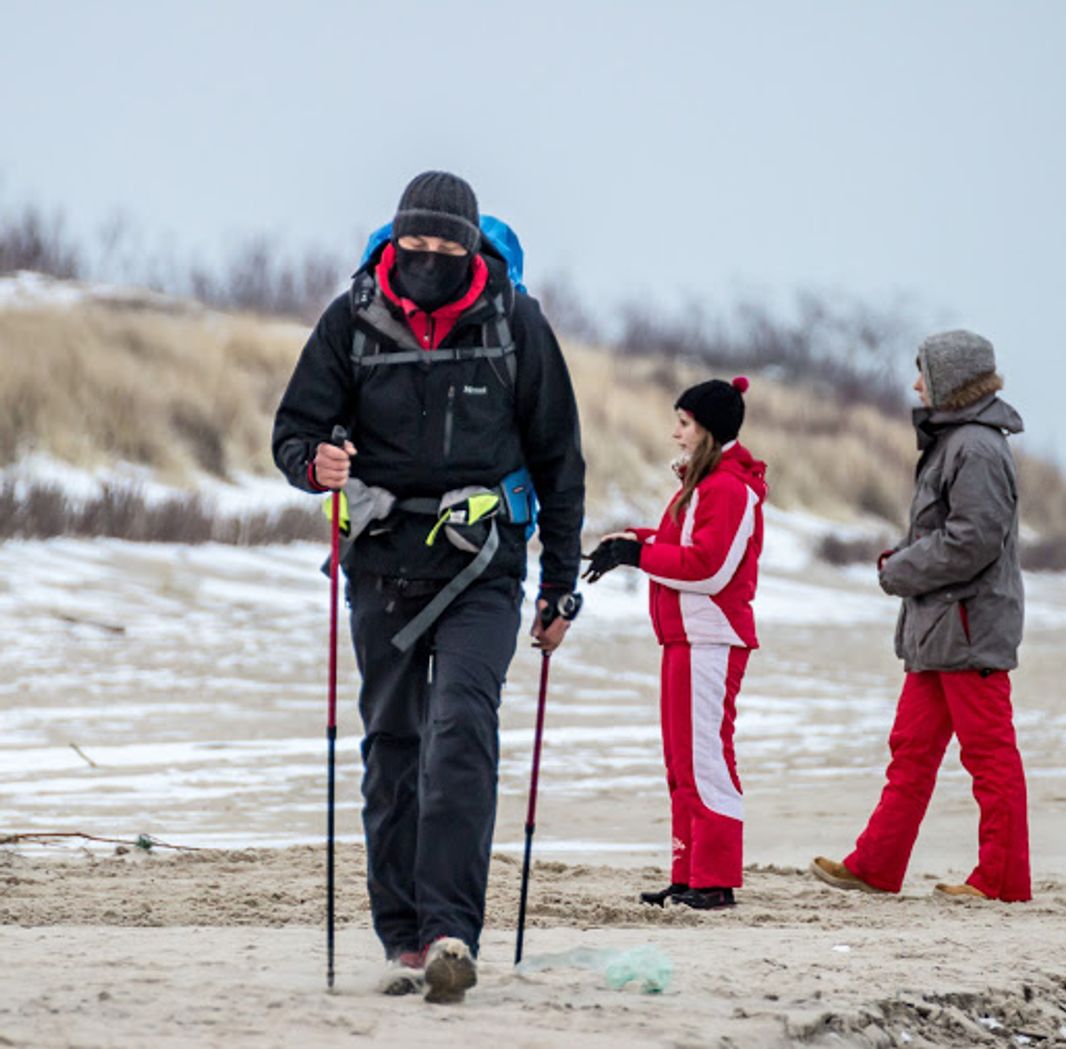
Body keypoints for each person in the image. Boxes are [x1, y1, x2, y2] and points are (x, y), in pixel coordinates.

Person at [272, 171, 586, 1003]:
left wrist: (561, 583)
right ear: (394, 240)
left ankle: (453, 932)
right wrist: (315, 463)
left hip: (483, 565)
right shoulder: (353, 318)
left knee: (459, 733)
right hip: (381, 561)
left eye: (448, 247)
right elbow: (293, 428)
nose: (431, 260)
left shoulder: (516, 322)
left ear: (473, 245)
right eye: (416, 246)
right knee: (394, 746)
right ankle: (404, 937)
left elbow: (559, 459)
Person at [812, 330, 1031, 903]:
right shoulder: (956, 442)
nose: (915, 385)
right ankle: (875, 867)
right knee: (910, 750)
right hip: (939, 629)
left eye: (924, 375)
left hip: (969, 628)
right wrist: (908, 566)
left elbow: (973, 541)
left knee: (989, 756)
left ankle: (1002, 882)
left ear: (953, 383)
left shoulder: (977, 448)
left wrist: (901, 567)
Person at [582, 376, 766, 909]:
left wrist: (638, 558)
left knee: (705, 758)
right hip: (683, 639)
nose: (675, 433)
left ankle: (715, 879)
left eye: (683, 423)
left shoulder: (729, 489)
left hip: (711, 639)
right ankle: (689, 873)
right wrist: (628, 542)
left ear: (708, 429)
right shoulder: (702, 485)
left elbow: (708, 567)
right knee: (681, 761)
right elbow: (677, 544)